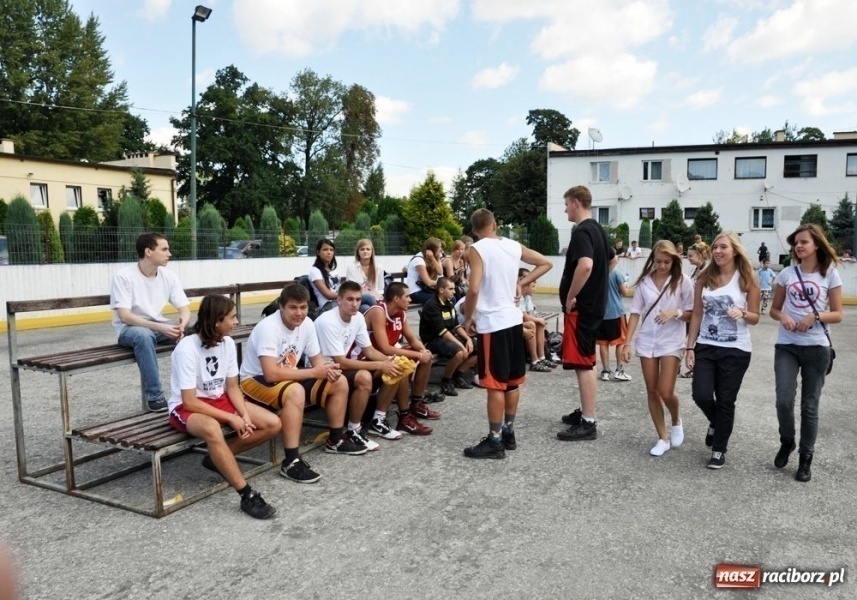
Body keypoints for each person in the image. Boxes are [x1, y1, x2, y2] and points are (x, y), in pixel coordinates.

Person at [239, 283, 367, 484]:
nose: (298, 313)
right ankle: (291, 461)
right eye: (293, 307)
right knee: (296, 391)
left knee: (339, 382)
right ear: (281, 306)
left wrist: (328, 370)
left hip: (287, 379)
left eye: (303, 307)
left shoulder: (307, 323)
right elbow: (270, 373)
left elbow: (317, 360)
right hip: (254, 381)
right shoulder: (269, 327)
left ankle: (335, 440)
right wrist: (315, 371)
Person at [168, 295, 281, 519]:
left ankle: (217, 458)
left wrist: (244, 415)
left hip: (219, 399)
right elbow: (189, 401)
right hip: (186, 407)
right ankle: (246, 494)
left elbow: (232, 387)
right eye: (232, 317)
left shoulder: (228, 342)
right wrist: (231, 419)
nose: (236, 322)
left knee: (273, 423)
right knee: (211, 428)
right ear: (217, 321)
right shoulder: (186, 349)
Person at [462, 209, 552, 459]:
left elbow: (474, 289)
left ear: (474, 229)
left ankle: (494, 440)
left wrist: (469, 317)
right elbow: (546, 262)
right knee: (511, 383)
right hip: (513, 321)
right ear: (495, 224)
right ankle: (508, 430)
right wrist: (522, 283)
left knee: (494, 385)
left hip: (493, 323)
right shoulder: (513, 245)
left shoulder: (477, 249)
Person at [769, 224, 842, 483]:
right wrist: (784, 315)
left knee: (810, 406)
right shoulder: (787, 274)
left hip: (817, 347)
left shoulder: (829, 275)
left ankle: (805, 458)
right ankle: (787, 441)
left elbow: (838, 314)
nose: (799, 247)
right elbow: (774, 310)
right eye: (796, 243)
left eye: (804, 242)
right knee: (783, 400)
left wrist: (815, 315)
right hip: (787, 345)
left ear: (816, 245)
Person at [685, 232, 760, 470]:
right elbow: (697, 313)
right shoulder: (704, 277)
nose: (717, 251)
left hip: (736, 349)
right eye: (715, 247)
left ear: (734, 251)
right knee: (702, 394)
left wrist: (744, 313)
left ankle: (719, 449)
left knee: (726, 400)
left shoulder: (747, 278)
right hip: (707, 345)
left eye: (723, 247)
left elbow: (756, 317)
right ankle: (716, 422)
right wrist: (690, 346)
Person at [315, 281, 411, 452]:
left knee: (396, 367)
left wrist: (389, 361)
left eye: (358, 300)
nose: (354, 304)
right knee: (365, 377)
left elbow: (369, 350)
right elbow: (341, 361)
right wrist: (381, 364)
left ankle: (377, 420)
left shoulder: (358, 317)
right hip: (324, 370)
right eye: (349, 299)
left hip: (340, 366)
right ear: (339, 300)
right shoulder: (327, 321)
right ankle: (354, 430)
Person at [622, 241, 694, 456]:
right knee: (652, 391)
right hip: (647, 341)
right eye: (658, 261)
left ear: (674, 261)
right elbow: (635, 312)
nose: (662, 266)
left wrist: (676, 313)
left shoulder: (683, 281)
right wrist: (627, 342)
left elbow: (692, 312)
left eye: (667, 262)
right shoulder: (644, 282)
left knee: (665, 390)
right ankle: (662, 438)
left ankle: (676, 419)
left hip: (672, 341)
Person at [111, 233, 190, 412]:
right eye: (164, 249)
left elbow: (184, 308)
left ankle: (196, 393)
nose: (169, 253)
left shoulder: (169, 276)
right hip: (129, 330)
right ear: (148, 251)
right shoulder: (123, 276)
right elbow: (125, 316)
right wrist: (161, 327)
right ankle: (155, 396)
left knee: (196, 335)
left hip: (158, 327)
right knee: (144, 336)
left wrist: (181, 325)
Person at [557, 186, 612, 442]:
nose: (565, 208)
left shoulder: (581, 231)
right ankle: (586, 411)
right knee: (586, 362)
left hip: (583, 310)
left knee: (584, 364)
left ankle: (589, 421)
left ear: (576, 203)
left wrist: (571, 296)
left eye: (566, 203)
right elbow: (611, 259)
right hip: (593, 307)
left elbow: (586, 265)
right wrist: (598, 285)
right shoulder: (598, 229)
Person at [364, 282, 438, 436]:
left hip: (387, 356)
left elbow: (412, 339)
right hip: (369, 358)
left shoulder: (400, 313)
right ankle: (404, 417)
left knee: (426, 358)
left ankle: (416, 403)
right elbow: (384, 348)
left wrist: (423, 351)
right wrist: (418, 355)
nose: (410, 299)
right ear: (396, 298)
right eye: (407, 296)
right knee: (401, 366)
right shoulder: (378, 311)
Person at [420, 277, 478, 396]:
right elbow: (443, 332)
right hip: (433, 340)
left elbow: (456, 326)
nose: (454, 292)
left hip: (447, 337)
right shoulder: (432, 305)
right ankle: (446, 381)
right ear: (441, 290)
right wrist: (461, 345)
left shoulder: (450, 303)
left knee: (481, 346)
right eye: (451, 289)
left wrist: (468, 339)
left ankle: (459, 375)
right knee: (459, 352)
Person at [596, 254, 631, 382]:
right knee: (620, 342)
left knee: (603, 343)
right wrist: (626, 283)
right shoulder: (616, 273)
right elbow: (624, 292)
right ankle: (619, 370)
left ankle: (605, 370)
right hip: (616, 312)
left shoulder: (597, 273)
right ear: (613, 260)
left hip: (600, 314)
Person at [679, 242, 712, 378]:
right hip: (691, 310)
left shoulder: (707, 271)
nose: (688, 258)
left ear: (699, 255)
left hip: (700, 312)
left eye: (691, 256)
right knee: (683, 337)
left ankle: (695, 368)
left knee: (696, 340)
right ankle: (679, 365)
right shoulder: (695, 270)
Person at [518, 268, 557, 372]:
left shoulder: (527, 297)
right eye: (533, 286)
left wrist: (539, 321)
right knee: (532, 324)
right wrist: (538, 320)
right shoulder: (519, 295)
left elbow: (530, 314)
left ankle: (541, 358)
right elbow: (525, 317)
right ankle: (534, 361)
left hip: (520, 322)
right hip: (514, 323)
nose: (535, 289)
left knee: (539, 324)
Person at [345, 238, 384, 313]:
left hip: (374, 300)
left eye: (368, 249)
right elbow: (353, 288)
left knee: (365, 308)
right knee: (370, 298)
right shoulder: (352, 267)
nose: (365, 251)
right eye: (362, 249)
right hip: (355, 298)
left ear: (372, 251)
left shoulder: (379, 267)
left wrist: (378, 296)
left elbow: (380, 288)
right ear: (358, 252)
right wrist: (372, 293)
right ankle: (380, 318)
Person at [405, 237, 444, 304]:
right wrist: (441, 283)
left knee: (451, 297)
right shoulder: (419, 259)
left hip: (427, 290)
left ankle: (445, 314)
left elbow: (440, 272)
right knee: (441, 299)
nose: (440, 250)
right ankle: (430, 314)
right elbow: (428, 282)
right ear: (432, 249)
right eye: (439, 247)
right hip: (415, 292)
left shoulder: (435, 257)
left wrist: (433, 258)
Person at [308, 238, 342, 312]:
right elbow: (328, 295)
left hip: (340, 302)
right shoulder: (315, 271)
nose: (329, 252)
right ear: (318, 252)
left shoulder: (333, 269)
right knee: (368, 299)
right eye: (325, 249)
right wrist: (347, 294)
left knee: (366, 305)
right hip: (328, 306)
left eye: (331, 250)